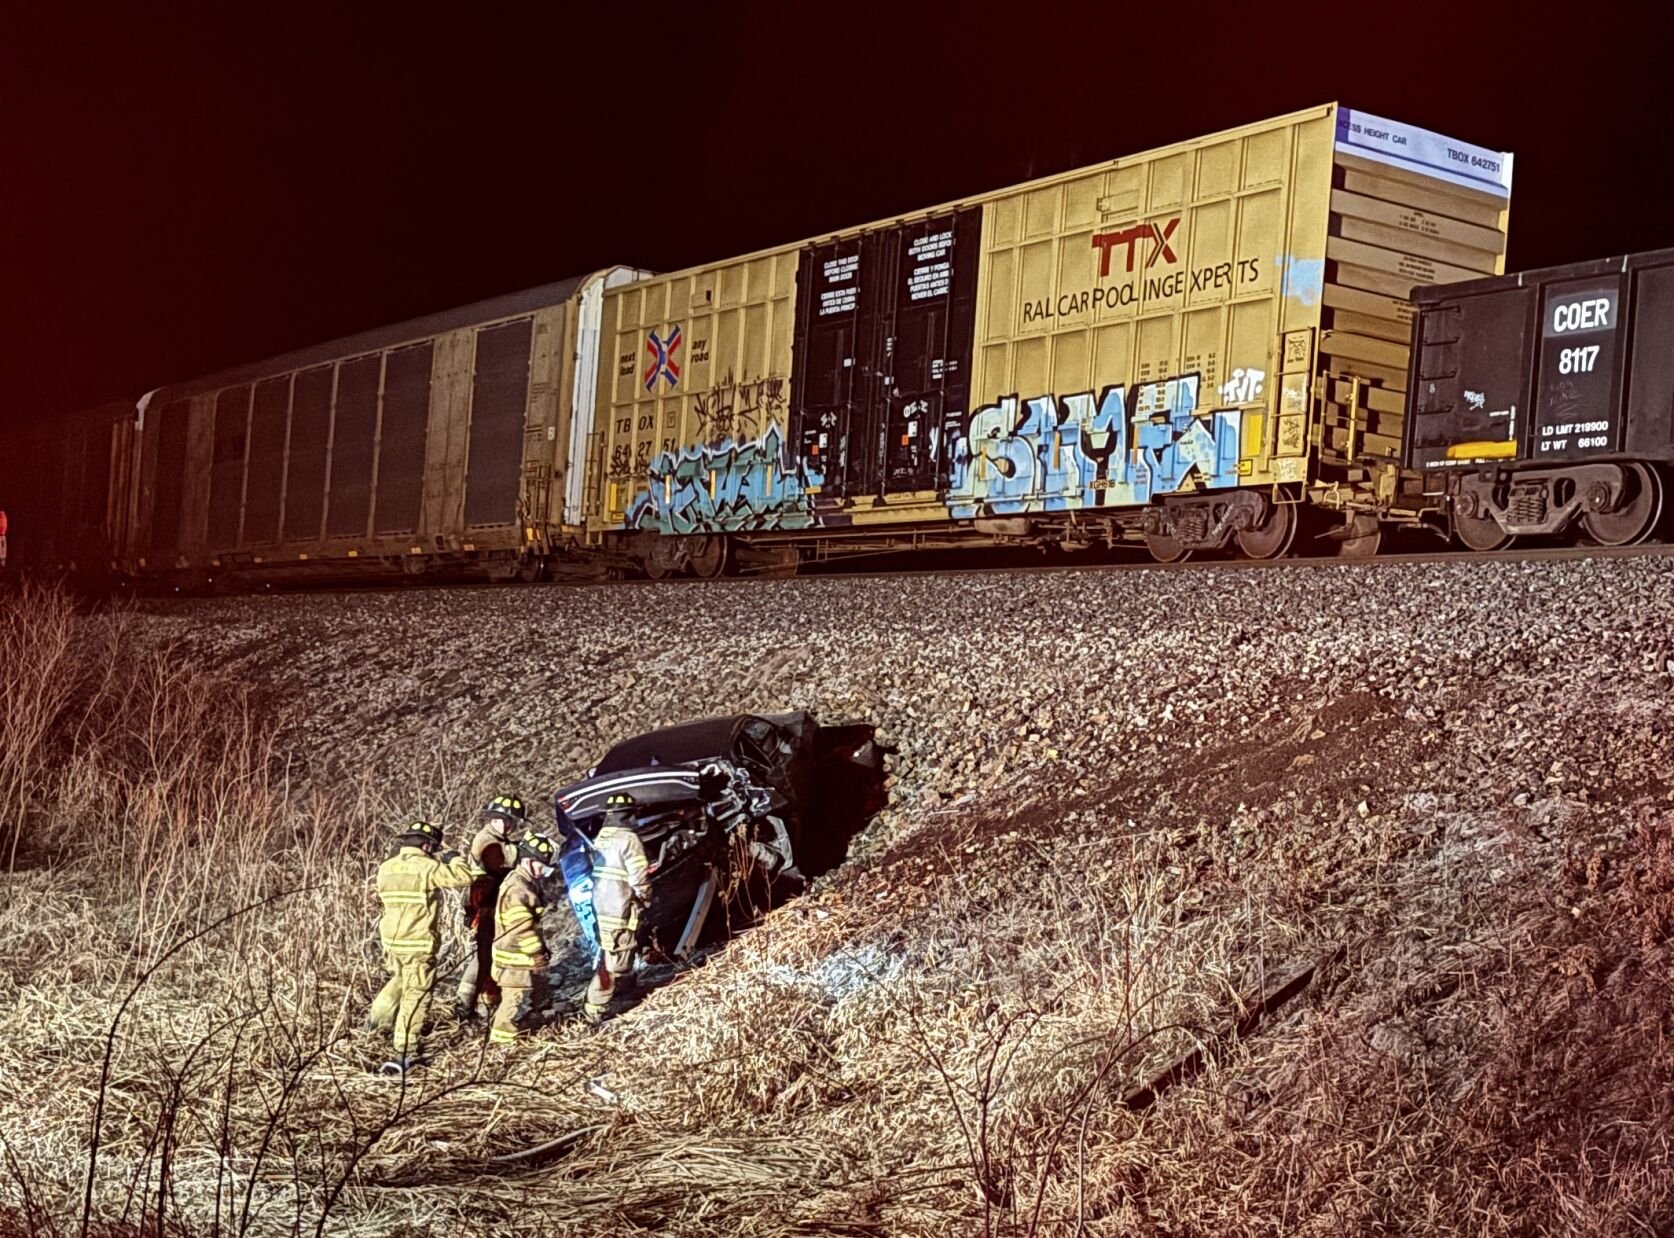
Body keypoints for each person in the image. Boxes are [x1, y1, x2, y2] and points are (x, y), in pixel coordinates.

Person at [368, 820, 479, 1076]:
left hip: (392, 941)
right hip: (417, 942)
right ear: (427, 845)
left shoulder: (386, 868)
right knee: (416, 994)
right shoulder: (427, 866)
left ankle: (376, 1026)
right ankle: (405, 1051)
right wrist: (454, 858)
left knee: (398, 981)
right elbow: (464, 878)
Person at [454, 794, 530, 1024]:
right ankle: (473, 1004)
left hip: (490, 902)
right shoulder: (486, 840)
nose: (513, 826)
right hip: (486, 904)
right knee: (487, 956)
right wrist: (524, 851)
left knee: (486, 955)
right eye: (512, 821)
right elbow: (498, 863)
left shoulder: (497, 839)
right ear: (501, 820)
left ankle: (470, 1001)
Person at [583, 792, 652, 1024]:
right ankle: (595, 1010)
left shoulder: (602, 836)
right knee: (615, 963)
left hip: (601, 908)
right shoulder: (629, 840)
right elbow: (639, 878)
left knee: (611, 955)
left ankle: (623, 992)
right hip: (620, 909)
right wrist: (646, 898)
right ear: (629, 815)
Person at [488, 832, 558, 1046]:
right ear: (528, 861)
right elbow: (522, 928)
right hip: (515, 961)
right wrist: (536, 953)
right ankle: (500, 1048)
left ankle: (523, 1032)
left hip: (519, 958)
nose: (542, 872)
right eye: (541, 866)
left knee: (530, 998)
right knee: (513, 1004)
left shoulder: (524, 882)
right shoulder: (518, 889)